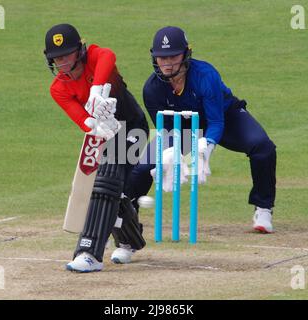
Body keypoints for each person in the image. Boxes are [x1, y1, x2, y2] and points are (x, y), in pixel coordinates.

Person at [128, 26, 277, 233]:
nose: (168, 63)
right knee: (145, 167)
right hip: (184, 128)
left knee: (263, 147)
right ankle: (127, 214)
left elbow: (216, 122)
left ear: (186, 54)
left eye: (173, 56)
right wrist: (171, 156)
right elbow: (167, 131)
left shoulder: (206, 75)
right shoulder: (151, 89)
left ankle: (263, 208)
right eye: (162, 58)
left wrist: (205, 149)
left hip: (225, 116)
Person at [44, 23, 149, 272]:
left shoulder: (95, 57)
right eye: (57, 58)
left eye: (67, 54)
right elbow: (84, 121)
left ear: (80, 50)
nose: (62, 62)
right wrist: (96, 123)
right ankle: (129, 239)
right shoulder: (58, 88)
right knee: (114, 190)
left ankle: (89, 253)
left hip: (133, 127)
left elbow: (108, 55)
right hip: (104, 134)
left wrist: (97, 90)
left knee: (107, 178)